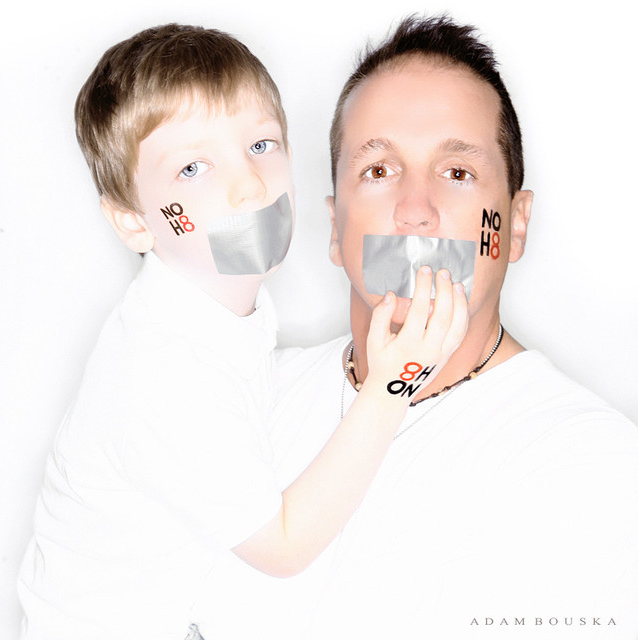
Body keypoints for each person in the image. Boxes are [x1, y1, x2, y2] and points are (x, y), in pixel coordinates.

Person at [16, 23, 469, 640]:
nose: (250, 186)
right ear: (134, 222)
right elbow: (283, 547)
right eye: (193, 168)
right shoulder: (164, 371)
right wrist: (395, 383)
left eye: (261, 144)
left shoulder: (213, 303)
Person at [193, 14, 638, 639]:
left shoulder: (592, 468)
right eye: (379, 171)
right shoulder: (245, 402)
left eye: (458, 173)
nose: (415, 213)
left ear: (514, 225)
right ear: (334, 227)